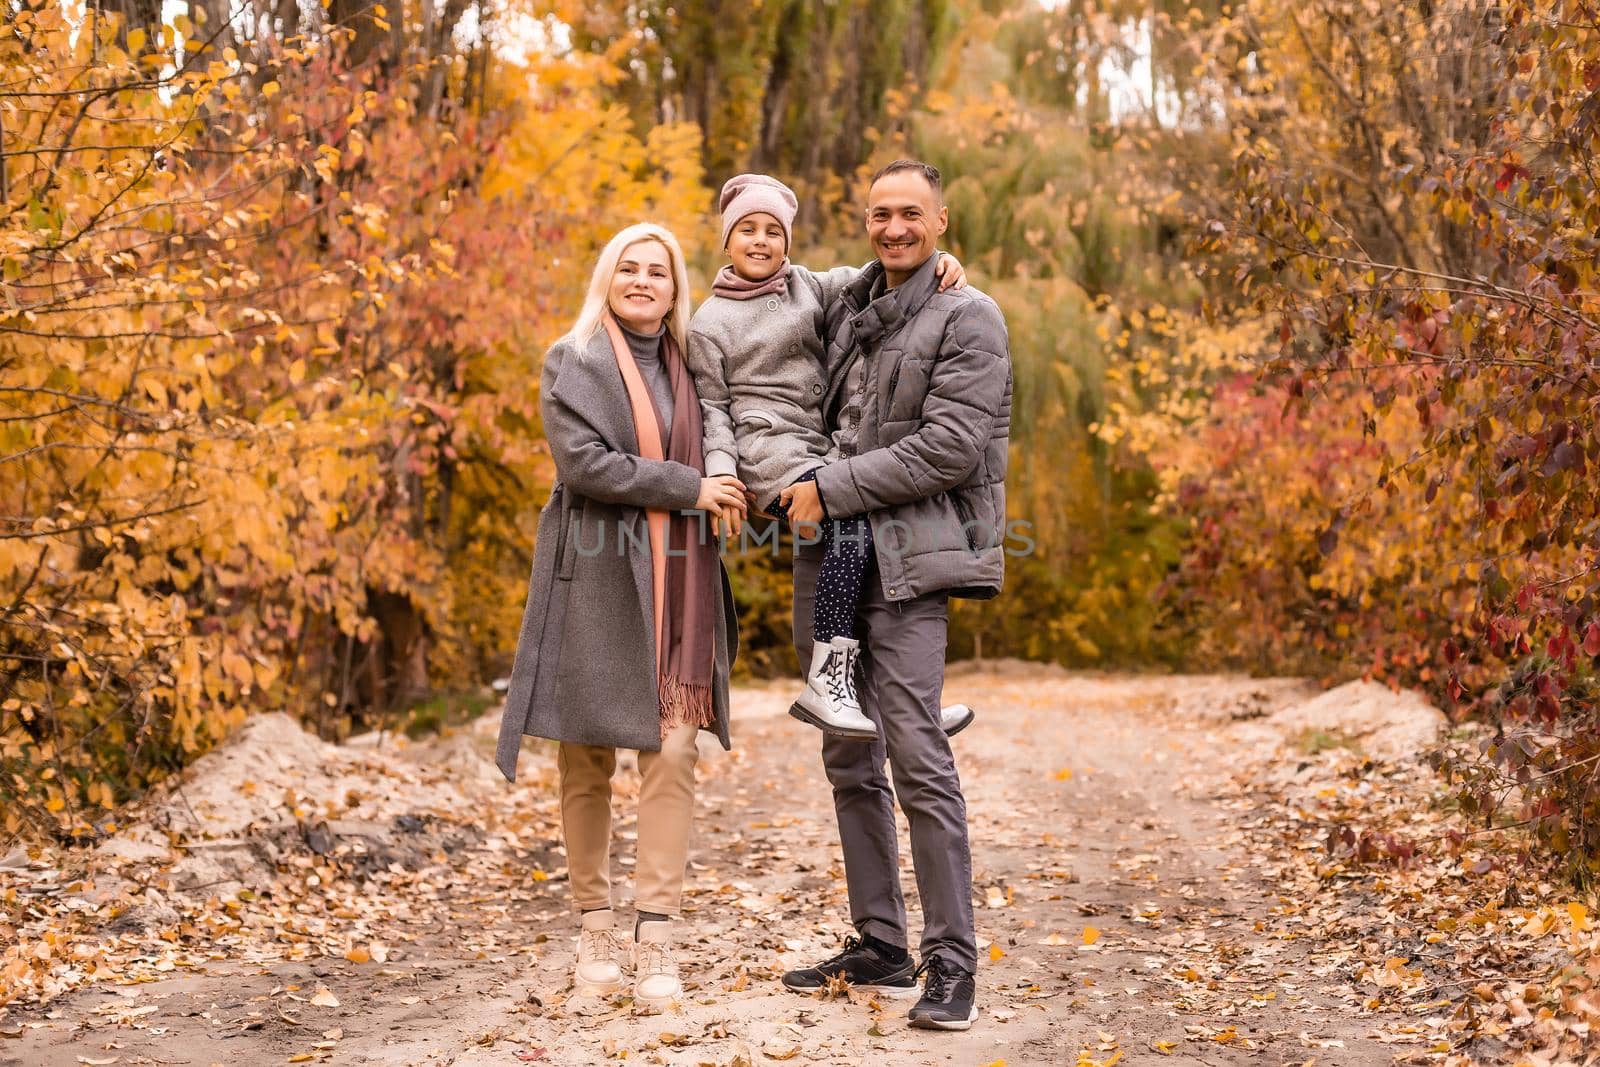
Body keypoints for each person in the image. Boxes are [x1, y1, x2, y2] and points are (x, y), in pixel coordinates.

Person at [776, 160, 1012, 1032]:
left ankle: (953, 965)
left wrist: (831, 488)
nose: (896, 228)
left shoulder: (970, 316)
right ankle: (881, 941)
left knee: (916, 753)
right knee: (847, 753)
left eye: (912, 213)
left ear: (942, 219)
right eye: (881, 214)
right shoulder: (847, 305)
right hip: (831, 555)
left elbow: (951, 448)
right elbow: (775, 297)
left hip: (912, 559)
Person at [494, 223, 746, 1013]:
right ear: (608, 278)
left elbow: (788, 318)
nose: (643, 281)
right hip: (597, 578)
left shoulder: (696, 365)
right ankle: (594, 924)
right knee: (587, 756)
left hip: (682, 580)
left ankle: (657, 935)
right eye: (629, 268)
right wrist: (689, 487)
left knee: (673, 751)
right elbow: (587, 466)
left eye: (658, 272)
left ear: (676, 290)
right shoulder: (573, 359)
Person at [685, 173, 976, 741]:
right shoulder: (709, 323)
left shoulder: (809, 288)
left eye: (774, 231)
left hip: (817, 448)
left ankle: (904, 705)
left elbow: (882, 281)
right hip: (765, 453)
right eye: (747, 230)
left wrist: (943, 263)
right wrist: (721, 473)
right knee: (855, 520)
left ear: (788, 242)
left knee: (867, 534)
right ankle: (827, 676)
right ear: (727, 240)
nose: (761, 241)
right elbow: (712, 409)